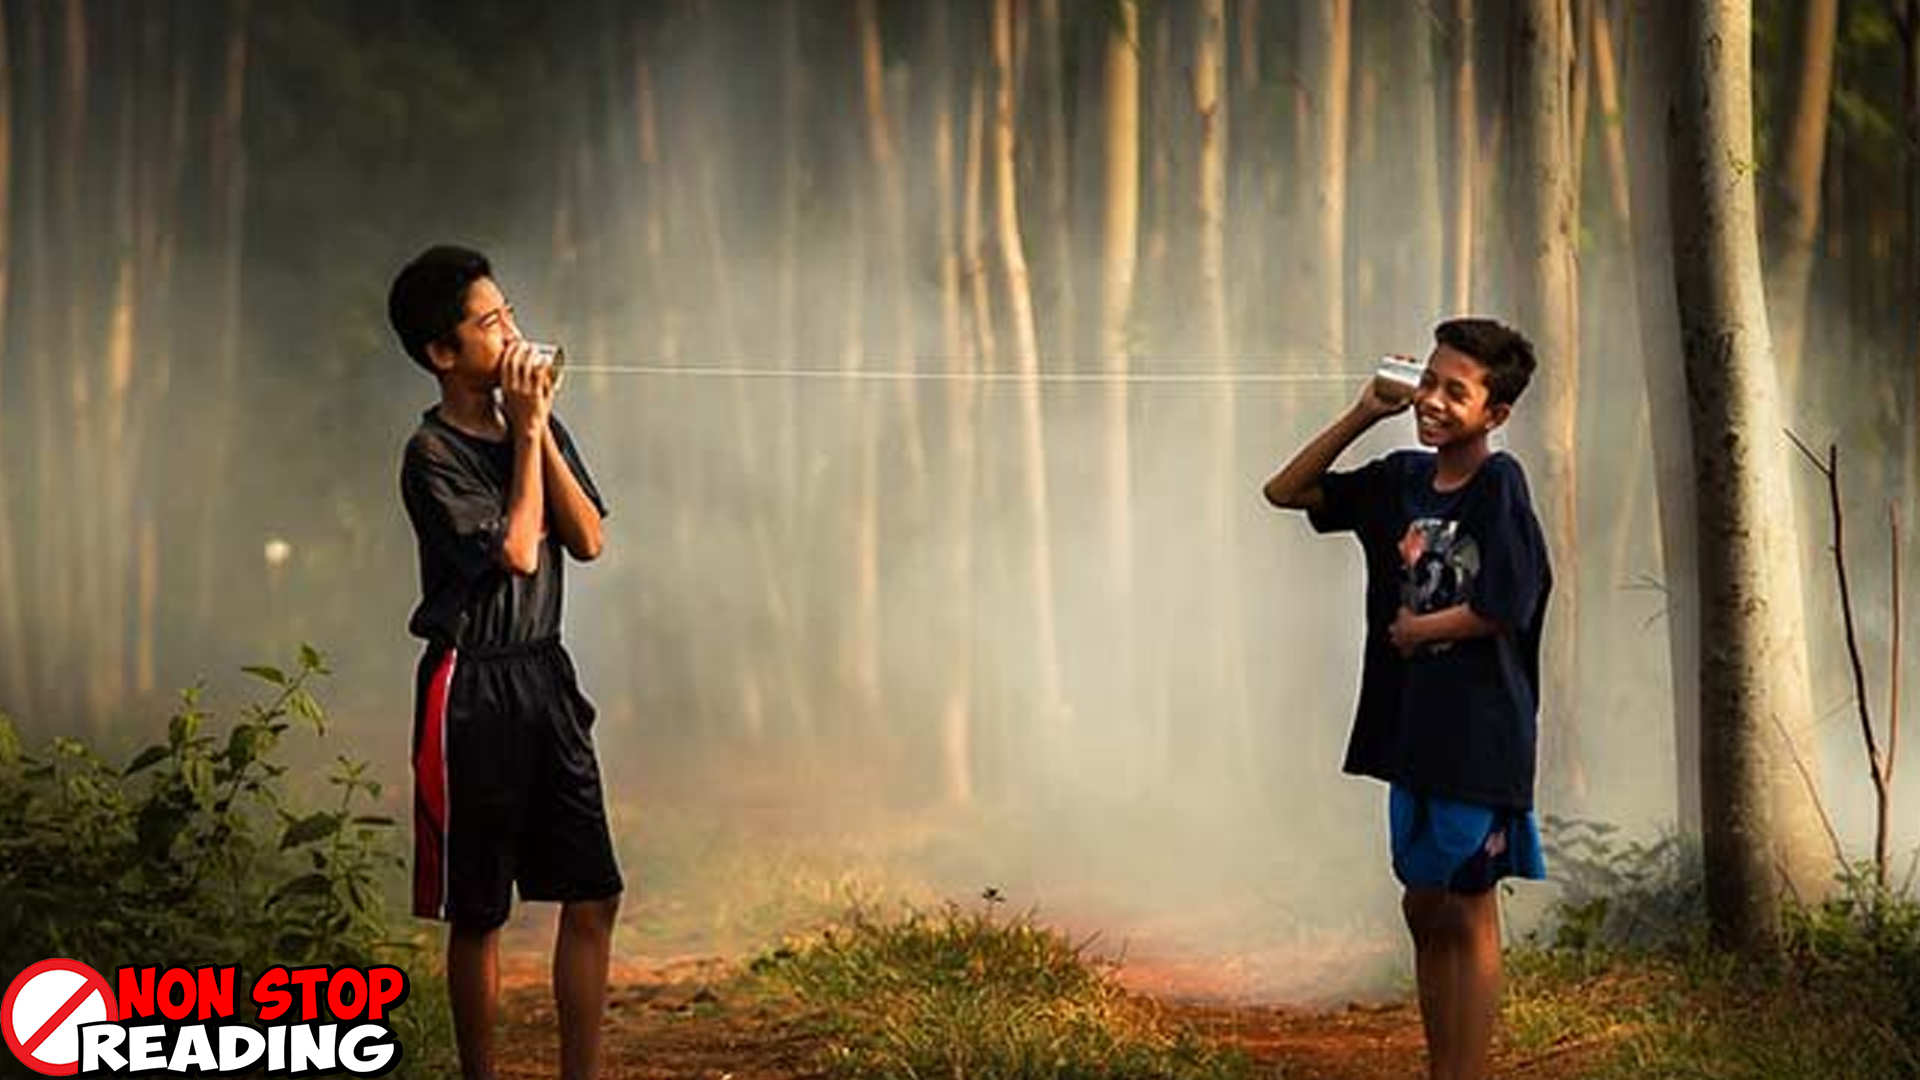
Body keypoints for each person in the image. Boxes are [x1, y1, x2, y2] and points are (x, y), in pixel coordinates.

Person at [1262, 318, 1551, 1080]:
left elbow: (1505, 602)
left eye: (1456, 392)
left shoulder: (1500, 485)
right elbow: (1285, 491)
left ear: (1495, 414)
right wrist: (1366, 411)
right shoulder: (1397, 481)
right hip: (1408, 728)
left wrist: (1420, 630)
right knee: (1423, 903)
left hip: (1482, 728)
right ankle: (1442, 1067)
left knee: (1468, 902)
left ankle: (1466, 1072)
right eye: (1429, 382)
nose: (1433, 401)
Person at [389, 244, 622, 1080]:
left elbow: (587, 539)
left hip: (544, 673)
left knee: (594, 893)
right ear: (441, 354)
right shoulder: (431, 455)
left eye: (510, 313)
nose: (513, 334)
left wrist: (539, 433)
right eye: (490, 324)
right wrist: (525, 435)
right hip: (471, 686)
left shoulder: (539, 427)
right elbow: (519, 551)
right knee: (480, 910)